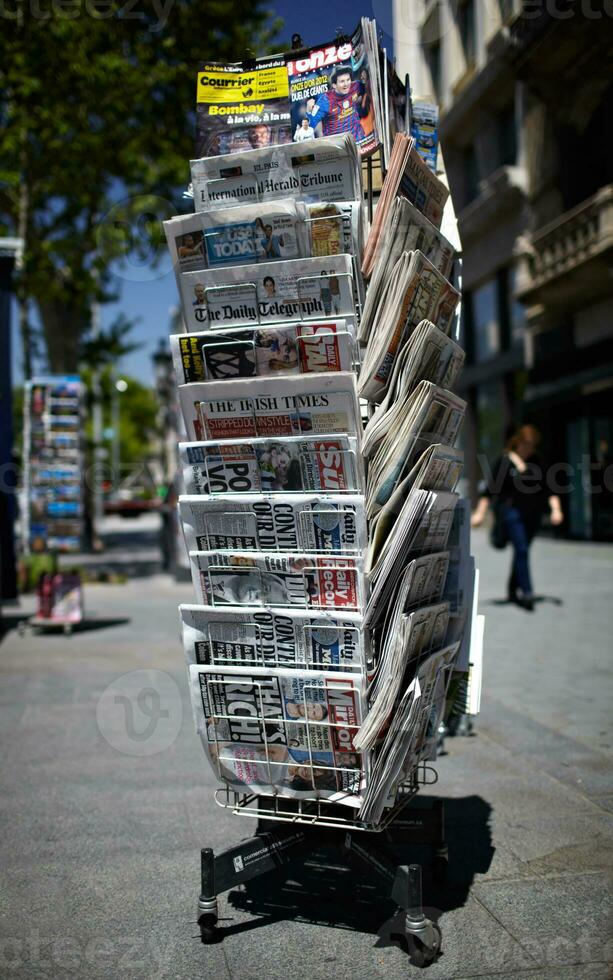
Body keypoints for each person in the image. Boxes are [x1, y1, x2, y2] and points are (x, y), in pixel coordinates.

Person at [471, 425, 563, 610]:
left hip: (533, 514)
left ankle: (512, 588)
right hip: (511, 512)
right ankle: (527, 592)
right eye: (526, 445)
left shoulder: (537, 461)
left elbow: (549, 489)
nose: (529, 449)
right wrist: (480, 513)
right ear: (518, 442)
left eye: (532, 445)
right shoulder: (505, 461)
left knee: (522, 551)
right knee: (521, 548)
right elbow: (490, 490)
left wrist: (556, 510)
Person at [305, 65, 369, 142]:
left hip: (359, 140)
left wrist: (366, 80)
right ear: (334, 85)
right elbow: (310, 125)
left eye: (348, 80)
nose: (346, 84)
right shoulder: (324, 101)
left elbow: (367, 88)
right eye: (342, 81)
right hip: (338, 147)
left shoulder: (356, 86)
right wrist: (309, 111)